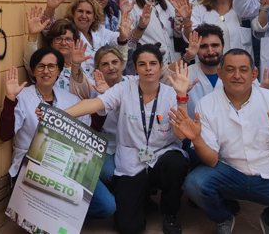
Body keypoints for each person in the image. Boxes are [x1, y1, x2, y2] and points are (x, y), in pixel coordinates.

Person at [171, 49, 269, 234]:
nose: (237, 76)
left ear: (254, 74)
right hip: (229, 171)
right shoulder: (207, 104)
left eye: (243, 70)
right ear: (220, 73)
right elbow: (211, 161)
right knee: (195, 183)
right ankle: (223, 217)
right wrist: (197, 138)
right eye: (230, 69)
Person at [65, 44, 190, 234]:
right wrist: (60, 113)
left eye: (153, 64)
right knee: (128, 227)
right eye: (142, 64)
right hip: (132, 160)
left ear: (160, 66)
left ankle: (170, 213)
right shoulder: (124, 88)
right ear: (135, 67)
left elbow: (181, 134)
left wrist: (182, 96)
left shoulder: (171, 94)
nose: (148, 68)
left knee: (176, 163)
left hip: (163, 155)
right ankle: (140, 197)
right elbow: (94, 103)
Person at [0, 48, 117, 219]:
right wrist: (10, 100)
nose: (46, 71)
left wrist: (103, 98)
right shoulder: (23, 96)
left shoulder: (69, 98)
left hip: (67, 163)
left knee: (107, 206)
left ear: (60, 71)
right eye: (40, 66)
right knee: (41, 216)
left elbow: (92, 128)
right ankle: (47, 215)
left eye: (52, 67)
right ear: (33, 70)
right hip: (32, 163)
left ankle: (65, 216)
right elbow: (5, 135)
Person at [176, 0, 257, 57]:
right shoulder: (199, 9)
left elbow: (260, 27)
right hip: (209, 65)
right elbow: (191, 38)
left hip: (239, 66)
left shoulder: (242, 7)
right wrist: (187, 21)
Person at [128, 0, 184, 65]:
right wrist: (140, 27)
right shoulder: (131, 5)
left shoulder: (167, 3)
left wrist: (180, 16)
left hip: (172, 61)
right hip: (149, 63)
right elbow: (128, 44)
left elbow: (177, 34)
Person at [92, 45, 128, 189]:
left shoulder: (134, 84)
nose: (111, 67)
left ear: (122, 63)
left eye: (114, 62)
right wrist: (104, 96)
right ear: (98, 68)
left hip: (132, 142)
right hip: (107, 144)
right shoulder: (94, 90)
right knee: (109, 173)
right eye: (105, 64)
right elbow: (94, 126)